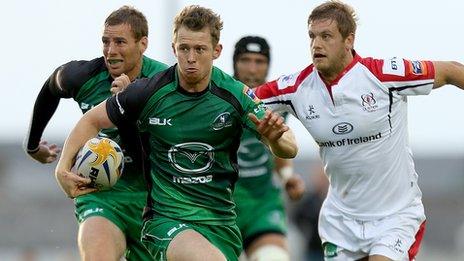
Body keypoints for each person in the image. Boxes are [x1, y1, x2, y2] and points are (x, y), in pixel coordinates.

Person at [54, 5, 298, 261]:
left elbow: (289, 146)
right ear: (174, 49)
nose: (190, 58)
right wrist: (62, 167)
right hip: (166, 220)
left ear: (216, 51)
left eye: (200, 49)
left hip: (220, 222)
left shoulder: (235, 95)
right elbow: (92, 120)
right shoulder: (148, 91)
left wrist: (276, 138)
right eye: (184, 48)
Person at [254, 1, 464, 260]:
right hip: (340, 222)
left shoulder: (383, 76)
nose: (316, 44)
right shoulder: (297, 87)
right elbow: (241, 102)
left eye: (326, 36)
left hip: (394, 217)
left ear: (348, 40)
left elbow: (453, 71)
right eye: (312, 36)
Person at [23, 6, 168, 260]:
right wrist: (32, 145)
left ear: (142, 43)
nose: (110, 52)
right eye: (106, 41)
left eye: (120, 42)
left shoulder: (163, 83)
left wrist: (126, 105)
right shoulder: (83, 76)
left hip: (152, 199)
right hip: (101, 196)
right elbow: (51, 86)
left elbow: (152, 155)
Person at [231, 36, 305, 261]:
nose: (252, 68)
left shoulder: (276, 101)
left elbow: (278, 150)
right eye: (245, 60)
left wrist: (287, 177)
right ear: (235, 63)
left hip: (261, 203)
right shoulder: (219, 96)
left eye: (259, 61)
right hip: (221, 203)